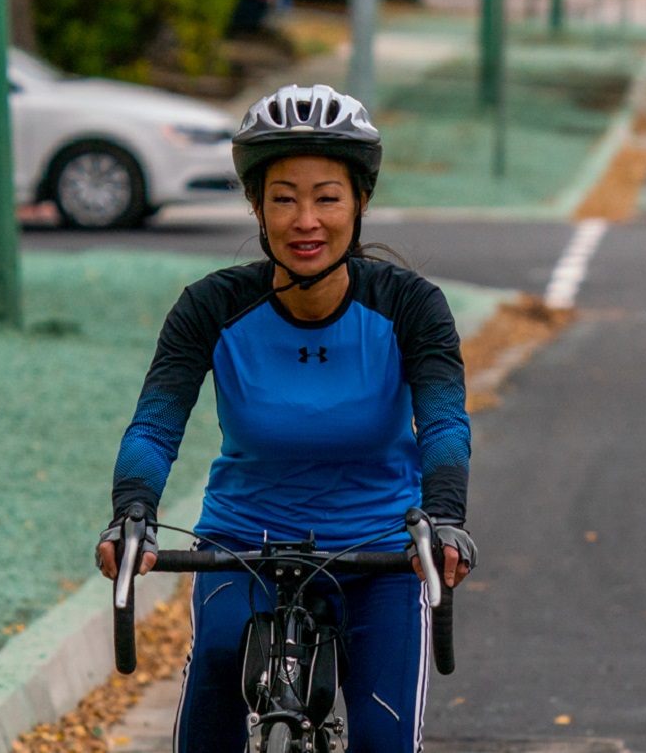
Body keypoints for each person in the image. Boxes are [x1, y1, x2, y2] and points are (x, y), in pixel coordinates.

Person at [93, 84, 478, 752]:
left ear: (359, 202)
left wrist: (445, 517)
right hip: (242, 543)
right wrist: (134, 512)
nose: (306, 220)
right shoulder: (211, 306)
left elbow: (443, 423)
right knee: (211, 692)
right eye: (283, 198)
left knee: (385, 742)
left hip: (377, 552)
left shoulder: (410, 306)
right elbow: (156, 424)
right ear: (255, 205)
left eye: (327, 196)